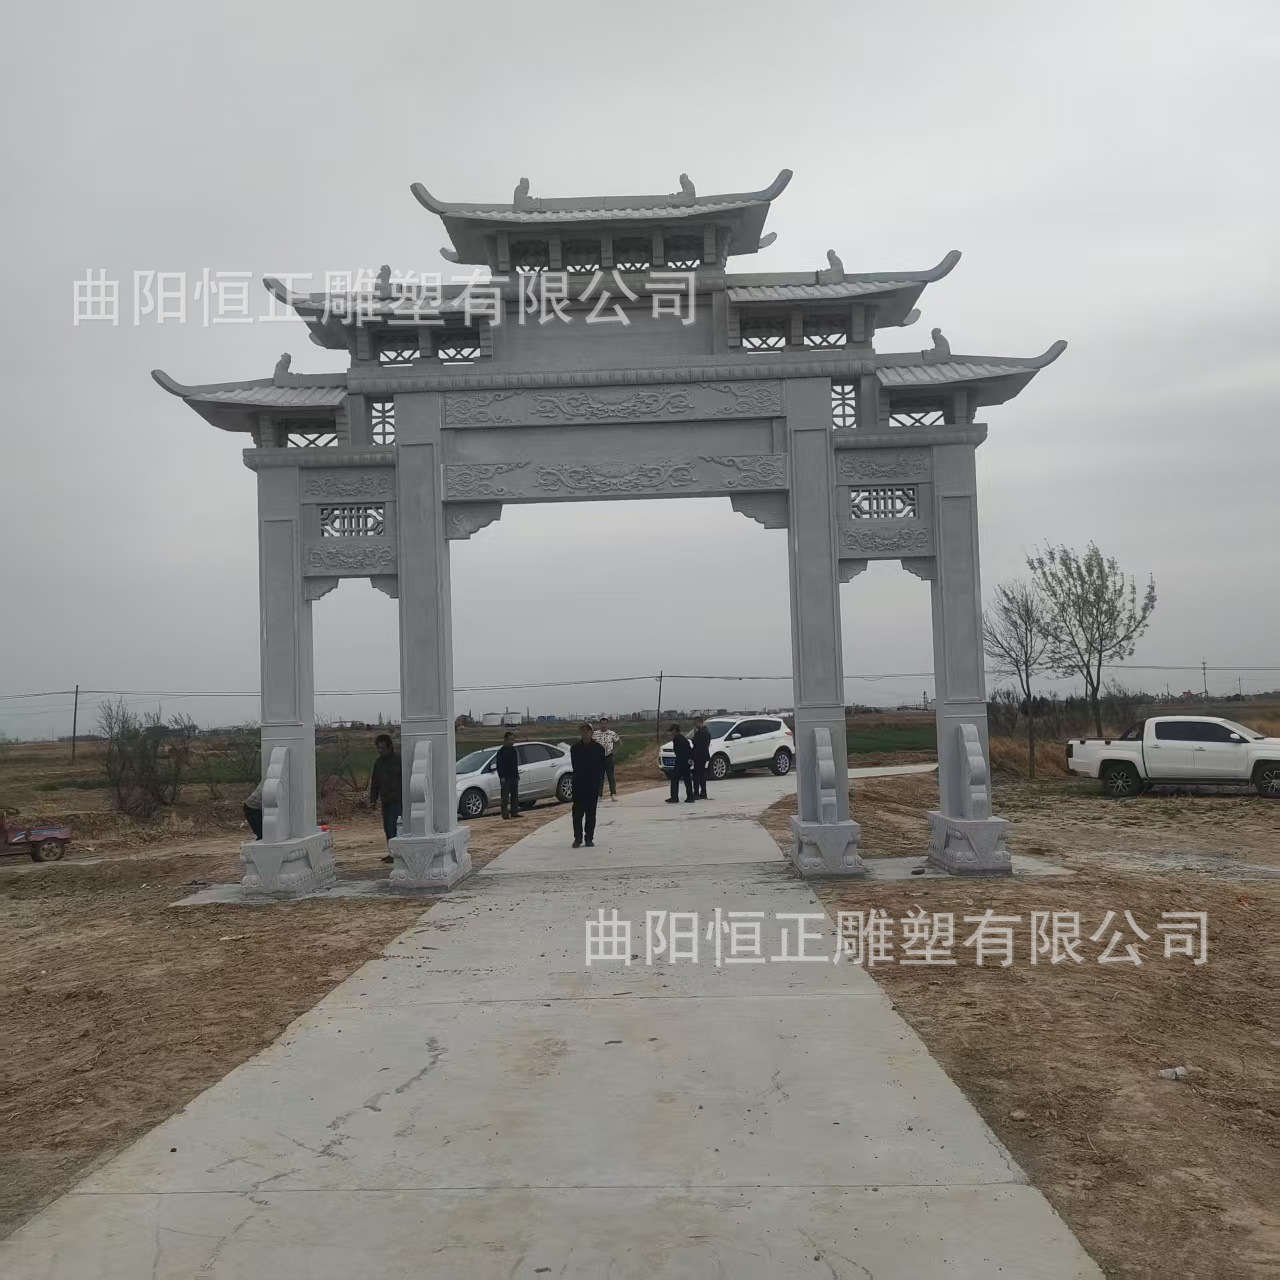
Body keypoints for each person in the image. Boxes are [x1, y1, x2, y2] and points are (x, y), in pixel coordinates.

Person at [569, 722, 606, 848]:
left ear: (591, 732)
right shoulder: (575, 748)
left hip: (592, 785)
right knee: (577, 814)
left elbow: (601, 768)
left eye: (587, 730)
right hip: (579, 785)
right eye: (583, 730)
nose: (585, 733)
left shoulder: (599, 749)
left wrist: (597, 783)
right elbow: (574, 765)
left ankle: (589, 838)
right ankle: (577, 838)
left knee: (591, 815)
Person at [368, 733, 402, 864]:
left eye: (382, 747)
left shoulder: (399, 760)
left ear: (389, 746)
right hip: (385, 800)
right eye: (378, 748)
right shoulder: (378, 763)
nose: (380, 750)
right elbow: (375, 782)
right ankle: (392, 853)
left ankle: (398, 853)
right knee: (387, 827)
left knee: (396, 827)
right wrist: (373, 799)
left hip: (398, 800)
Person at [495, 731, 520, 819]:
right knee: (505, 796)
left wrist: (517, 775)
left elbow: (515, 764)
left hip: (514, 776)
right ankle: (505, 813)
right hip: (505, 777)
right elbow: (499, 765)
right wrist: (501, 776)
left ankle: (514, 811)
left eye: (513, 740)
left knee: (515, 795)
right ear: (505, 740)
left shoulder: (514, 751)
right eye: (510, 740)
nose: (512, 741)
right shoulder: (501, 752)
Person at [667, 724, 694, 803]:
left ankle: (674, 798)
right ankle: (690, 797)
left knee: (674, 778)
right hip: (686, 762)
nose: (671, 733)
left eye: (672, 731)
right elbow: (689, 750)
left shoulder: (676, 739)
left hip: (680, 762)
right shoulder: (683, 738)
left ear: (675, 731)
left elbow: (677, 752)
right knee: (687, 780)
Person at [595, 716, 620, 801]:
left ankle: (613, 794)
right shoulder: (595, 734)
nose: (603, 725)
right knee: (599, 777)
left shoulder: (612, 733)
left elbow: (619, 742)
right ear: (599, 724)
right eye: (602, 724)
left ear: (607, 724)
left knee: (611, 776)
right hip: (598, 758)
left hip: (609, 756)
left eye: (605, 724)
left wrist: (614, 752)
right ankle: (599, 795)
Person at [691, 717, 711, 800]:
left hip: (698, 756)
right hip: (704, 756)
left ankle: (696, 793)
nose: (696, 725)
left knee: (696, 775)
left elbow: (694, 741)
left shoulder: (700, 732)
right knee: (702, 775)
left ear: (699, 723)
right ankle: (703, 792)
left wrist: (695, 733)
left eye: (696, 723)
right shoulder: (707, 732)